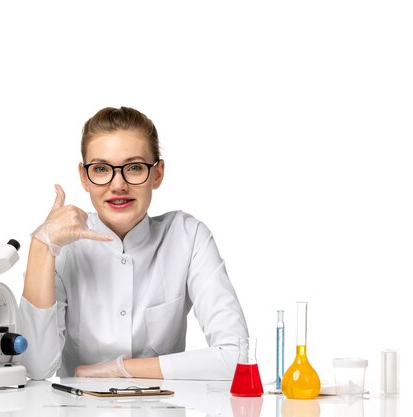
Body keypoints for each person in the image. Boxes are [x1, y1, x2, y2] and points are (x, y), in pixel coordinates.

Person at [17, 106, 248, 380]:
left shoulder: (188, 237)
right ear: (84, 177)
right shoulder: (63, 246)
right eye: (101, 169)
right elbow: (35, 368)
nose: (118, 185)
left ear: (157, 173)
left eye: (135, 167)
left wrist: (121, 370)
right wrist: (42, 246)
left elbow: (237, 358)